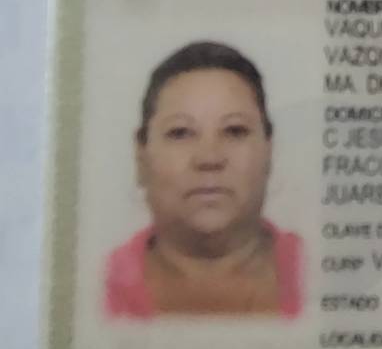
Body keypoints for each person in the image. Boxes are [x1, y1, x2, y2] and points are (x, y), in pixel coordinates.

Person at [104, 42, 304, 318]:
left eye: (234, 131)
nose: (209, 158)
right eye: (180, 133)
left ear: (269, 150)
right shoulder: (94, 290)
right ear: (141, 156)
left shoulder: (325, 274)